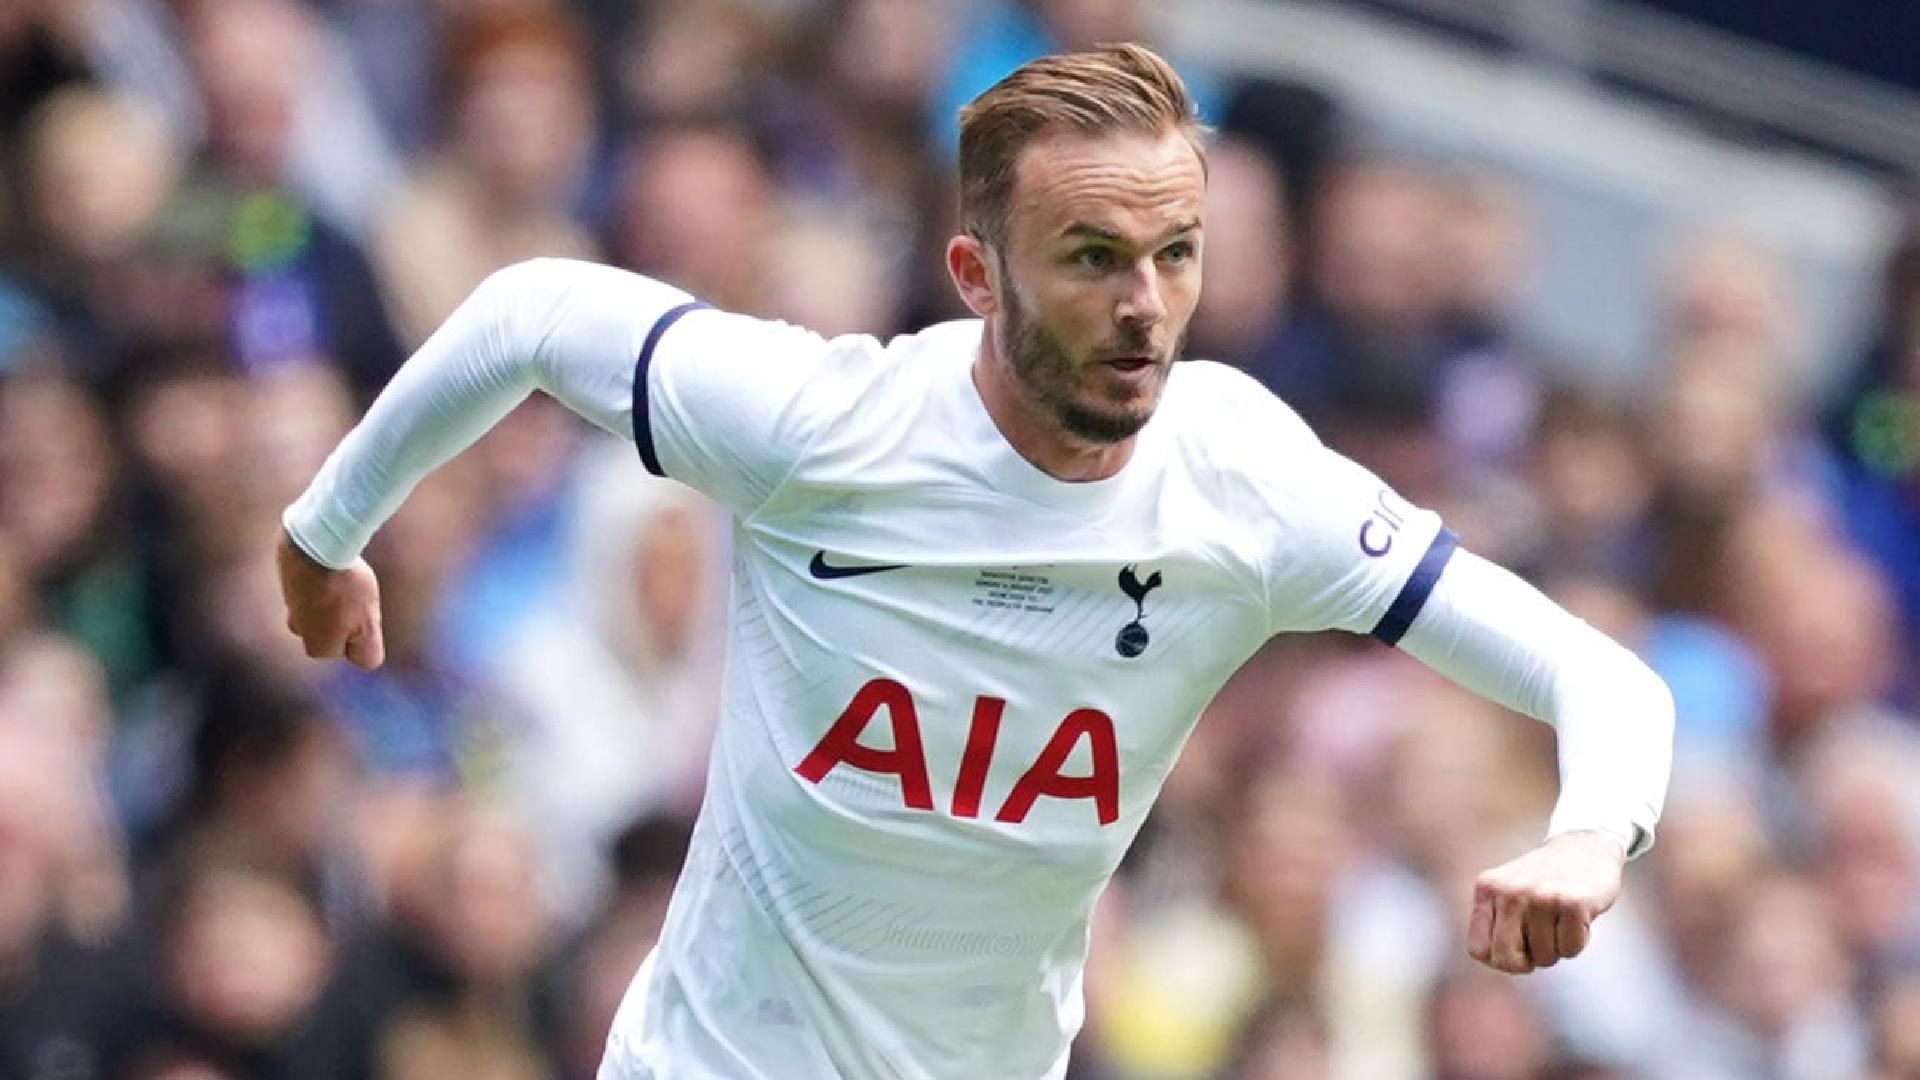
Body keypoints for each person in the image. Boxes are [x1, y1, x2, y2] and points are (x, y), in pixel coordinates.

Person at [276, 44, 1673, 1080]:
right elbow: (528, 312)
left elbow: (1603, 678)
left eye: (1177, 255)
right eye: (1092, 257)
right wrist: (324, 532)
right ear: (975, 274)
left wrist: (1589, 834)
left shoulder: (1246, 484)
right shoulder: (826, 425)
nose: (1146, 309)